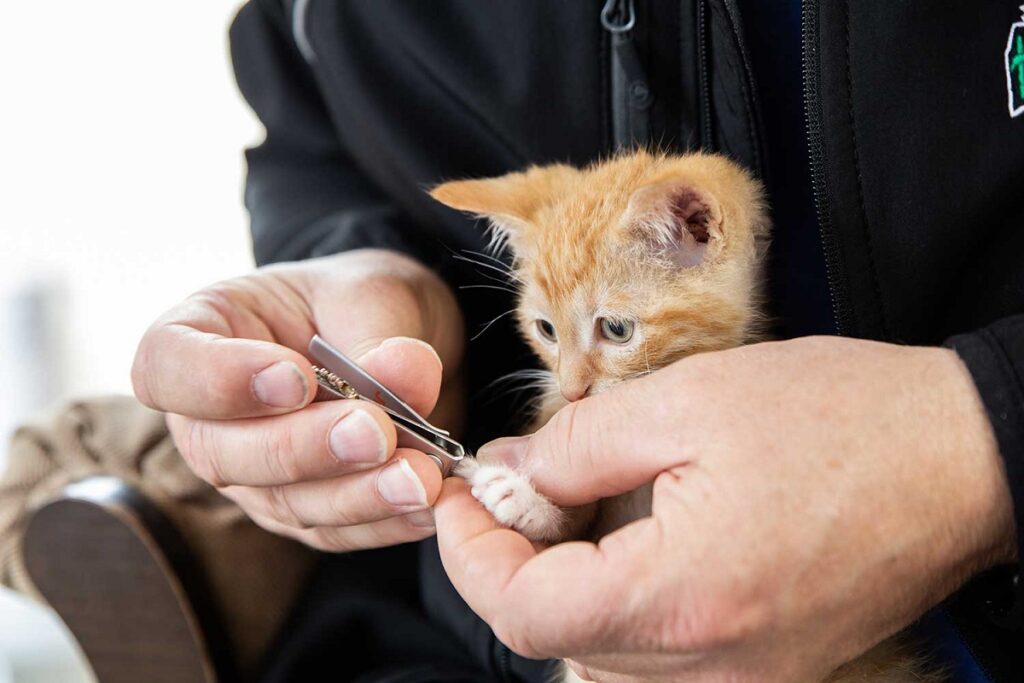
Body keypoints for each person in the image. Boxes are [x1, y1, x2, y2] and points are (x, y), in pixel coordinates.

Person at [129, 2, 1024, 681]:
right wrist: (367, 264)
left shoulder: (681, 232)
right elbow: (307, 121)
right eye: (548, 332)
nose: (571, 373)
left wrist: (981, 433)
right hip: (460, 633)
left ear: (700, 229)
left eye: (615, 332)